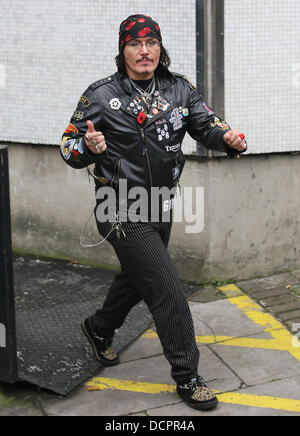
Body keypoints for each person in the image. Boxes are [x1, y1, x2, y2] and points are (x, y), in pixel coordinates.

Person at [60, 14, 247, 411]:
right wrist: (88, 148)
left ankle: (99, 328)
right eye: (134, 43)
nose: (144, 50)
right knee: (166, 289)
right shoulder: (100, 94)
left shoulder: (179, 89)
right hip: (119, 207)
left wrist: (227, 138)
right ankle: (188, 377)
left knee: (137, 277)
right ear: (122, 50)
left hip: (160, 202)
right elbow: (68, 147)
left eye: (151, 42)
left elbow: (206, 125)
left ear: (160, 48)